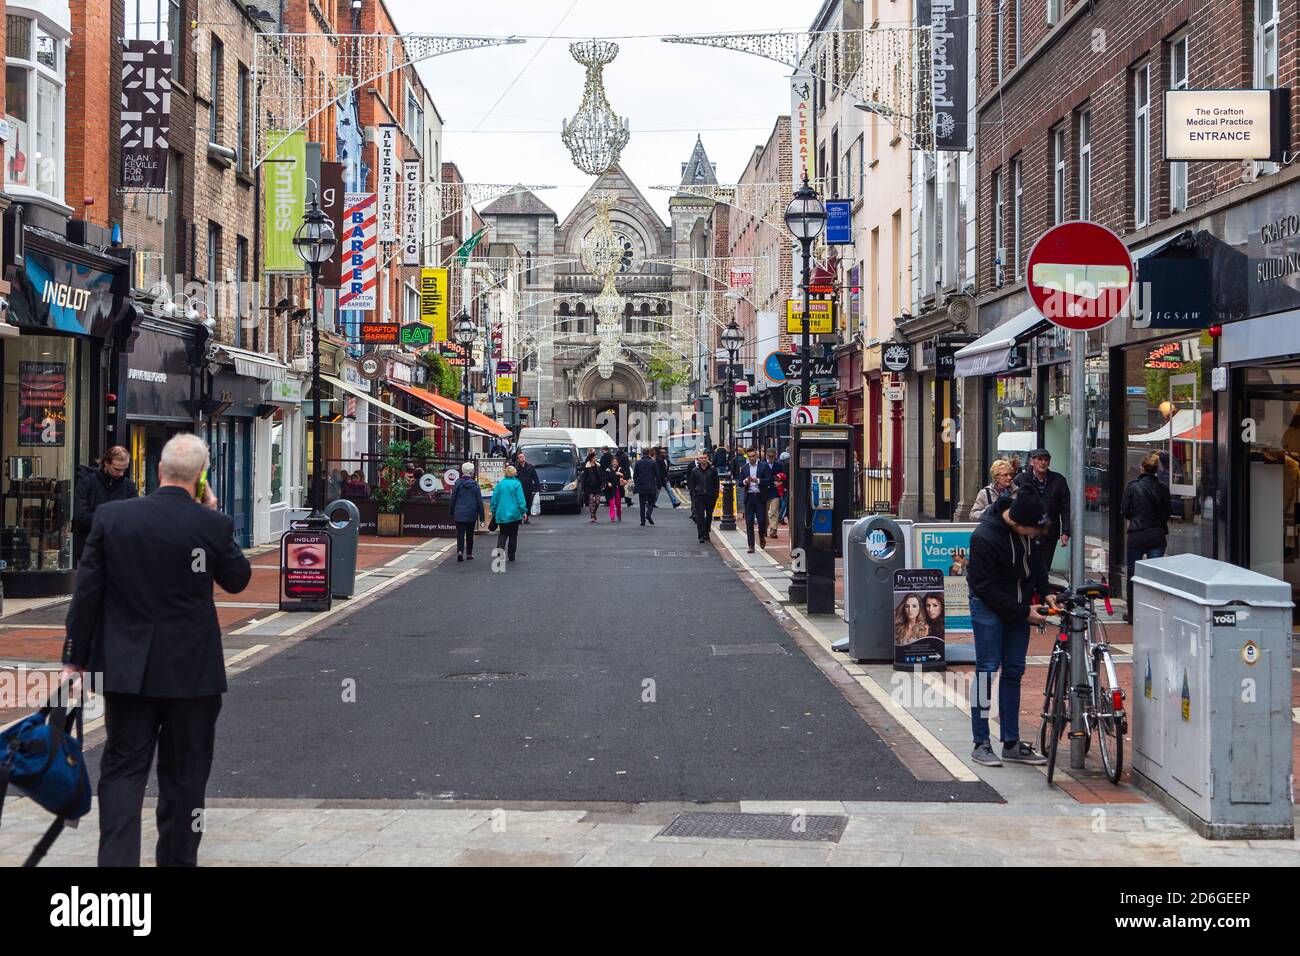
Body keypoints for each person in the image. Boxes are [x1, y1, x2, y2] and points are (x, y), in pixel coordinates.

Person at [61, 433, 252, 867]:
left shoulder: (113, 519)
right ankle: (177, 861)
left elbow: (86, 595)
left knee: (123, 771)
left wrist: (74, 658)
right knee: (186, 778)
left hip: (127, 670)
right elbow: (238, 579)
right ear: (201, 477)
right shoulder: (211, 524)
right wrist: (214, 515)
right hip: (193, 674)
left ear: (160, 470)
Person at [966, 490, 1056, 768]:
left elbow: (1036, 564)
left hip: (1019, 609)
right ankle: (981, 742)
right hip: (989, 606)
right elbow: (985, 587)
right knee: (987, 670)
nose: (1035, 536)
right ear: (1018, 523)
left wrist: (1045, 592)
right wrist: (1023, 612)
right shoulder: (984, 537)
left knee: (1014, 671)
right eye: (1033, 531)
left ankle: (1011, 743)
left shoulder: (1028, 530)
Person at [1121, 451, 1172, 623]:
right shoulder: (1163, 488)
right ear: (1156, 470)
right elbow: (1167, 513)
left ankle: (1132, 613)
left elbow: (1125, 511)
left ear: (1142, 468)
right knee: (1155, 576)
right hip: (1157, 534)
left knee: (1133, 575)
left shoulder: (1132, 486)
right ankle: (1155, 612)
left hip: (1137, 534)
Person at [73, 446, 138, 566]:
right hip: (90, 547)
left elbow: (134, 517)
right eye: (117, 469)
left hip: (118, 549)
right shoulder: (87, 483)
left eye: (124, 469)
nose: (121, 473)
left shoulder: (128, 486)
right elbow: (81, 515)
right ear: (106, 463)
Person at [1014, 448, 1071, 576]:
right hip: (1026, 532)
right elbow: (1013, 505)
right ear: (1032, 461)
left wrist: (1066, 532)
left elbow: (1066, 508)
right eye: (1039, 459)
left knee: (1044, 568)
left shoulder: (1059, 480)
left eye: (1046, 460)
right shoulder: (1020, 480)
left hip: (1049, 532)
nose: (1043, 463)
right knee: (1026, 566)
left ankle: (1041, 594)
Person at [736, 446, 773, 553]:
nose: (751, 458)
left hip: (760, 497)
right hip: (749, 498)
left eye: (753, 456)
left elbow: (769, 481)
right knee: (749, 522)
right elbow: (739, 483)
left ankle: (762, 536)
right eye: (749, 456)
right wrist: (745, 482)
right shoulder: (744, 468)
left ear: (756, 455)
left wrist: (758, 480)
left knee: (762, 521)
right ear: (747, 457)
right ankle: (751, 545)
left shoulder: (764, 466)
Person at [489, 464, 528, 562]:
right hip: (514, 514)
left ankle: (500, 553)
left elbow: (494, 500)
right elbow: (520, 500)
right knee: (513, 535)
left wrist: (494, 511)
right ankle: (511, 555)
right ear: (514, 474)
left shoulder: (499, 485)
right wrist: (523, 511)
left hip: (501, 514)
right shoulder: (517, 484)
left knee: (502, 534)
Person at [448, 462, 485, 562]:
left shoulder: (458, 483)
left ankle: (460, 551)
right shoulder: (475, 485)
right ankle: (469, 553)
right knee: (470, 534)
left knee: (460, 533)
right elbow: (479, 501)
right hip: (471, 512)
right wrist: (482, 517)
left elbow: (453, 498)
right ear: (472, 472)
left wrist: (451, 511)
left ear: (462, 471)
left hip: (459, 511)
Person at [688, 451, 720, 543]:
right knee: (700, 517)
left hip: (710, 496)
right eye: (701, 458)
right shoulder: (695, 471)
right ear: (699, 459)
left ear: (707, 458)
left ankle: (707, 532)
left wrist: (716, 495)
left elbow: (716, 484)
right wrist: (693, 494)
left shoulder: (713, 470)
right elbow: (692, 484)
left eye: (705, 458)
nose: (703, 460)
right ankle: (701, 535)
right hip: (699, 496)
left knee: (709, 516)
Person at [633, 448, 661, 526]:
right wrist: (659, 485)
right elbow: (657, 475)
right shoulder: (653, 462)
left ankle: (642, 521)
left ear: (642, 453)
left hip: (641, 486)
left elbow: (635, 475)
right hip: (651, 485)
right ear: (649, 453)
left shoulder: (638, 463)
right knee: (651, 502)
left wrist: (637, 483)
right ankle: (648, 514)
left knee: (642, 504)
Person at [515, 452, 540, 524]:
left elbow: (535, 477)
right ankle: (519, 518)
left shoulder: (530, 467)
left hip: (528, 488)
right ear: (518, 459)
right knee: (519, 503)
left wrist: (537, 486)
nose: (522, 458)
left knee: (528, 503)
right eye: (520, 457)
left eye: (523, 456)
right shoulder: (516, 468)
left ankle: (526, 518)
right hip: (519, 489)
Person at [580, 451, 604, 522]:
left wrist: (603, 483)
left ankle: (594, 513)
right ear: (590, 458)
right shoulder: (587, 466)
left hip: (597, 487)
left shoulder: (598, 465)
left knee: (597, 502)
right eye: (594, 457)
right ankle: (592, 516)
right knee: (591, 501)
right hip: (589, 487)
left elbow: (601, 476)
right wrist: (583, 487)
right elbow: (584, 477)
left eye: (595, 457)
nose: (595, 459)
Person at [764, 448, 783, 539]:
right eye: (769, 456)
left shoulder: (779, 465)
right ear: (766, 456)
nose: (771, 458)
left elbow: (783, 476)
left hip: (775, 491)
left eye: (773, 456)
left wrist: (781, 482)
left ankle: (773, 529)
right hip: (765, 491)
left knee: (774, 511)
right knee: (764, 512)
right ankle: (764, 528)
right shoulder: (762, 465)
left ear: (775, 456)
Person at [604, 458, 628, 522]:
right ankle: (612, 517)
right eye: (613, 462)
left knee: (618, 503)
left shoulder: (621, 469)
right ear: (611, 463)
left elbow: (626, 476)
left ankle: (619, 515)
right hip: (611, 489)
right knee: (612, 503)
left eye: (616, 462)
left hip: (618, 488)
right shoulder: (608, 470)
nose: (614, 463)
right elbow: (605, 479)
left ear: (618, 463)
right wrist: (608, 483)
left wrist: (621, 474)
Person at [778, 450, 791, 524]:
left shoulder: (780, 464)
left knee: (783, 501)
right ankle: (781, 517)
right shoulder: (787, 466)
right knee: (785, 503)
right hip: (785, 486)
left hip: (782, 485)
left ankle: (781, 517)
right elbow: (787, 477)